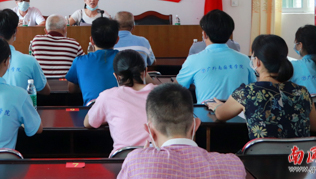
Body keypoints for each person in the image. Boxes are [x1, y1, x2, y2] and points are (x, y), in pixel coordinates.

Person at [117, 83, 246, 179]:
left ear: (150, 131)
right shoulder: (233, 165)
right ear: (195, 125)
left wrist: (142, 158)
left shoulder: (135, 162)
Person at [207, 35, 316, 139]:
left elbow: (220, 115)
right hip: (298, 153)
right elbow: (314, 126)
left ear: (258, 61)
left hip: (262, 154)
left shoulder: (247, 92)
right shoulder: (302, 92)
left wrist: (218, 107)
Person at [85, 50, 156, 156]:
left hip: (122, 159)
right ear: (145, 72)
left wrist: (109, 116)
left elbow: (88, 123)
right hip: (157, 157)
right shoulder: (163, 93)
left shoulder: (107, 96)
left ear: (116, 76)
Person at [176, 10, 256, 103]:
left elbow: (176, 88)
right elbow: (253, 87)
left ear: (204, 34)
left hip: (206, 112)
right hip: (239, 112)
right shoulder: (245, 60)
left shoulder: (193, 60)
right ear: (230, 34)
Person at [66, 17, 119, 105]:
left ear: (91, 40)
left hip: (91, 109)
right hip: (120, 109)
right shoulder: (127, 59)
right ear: (117, 40)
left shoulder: (79, 61)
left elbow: (71, 89)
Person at [30, 14, 83, 78]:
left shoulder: (36, 41)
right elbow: (83, 65)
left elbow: (31, 64)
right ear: (65, 29)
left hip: (42, 83)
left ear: (45, 31)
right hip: (65, 83)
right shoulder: (74, 44)